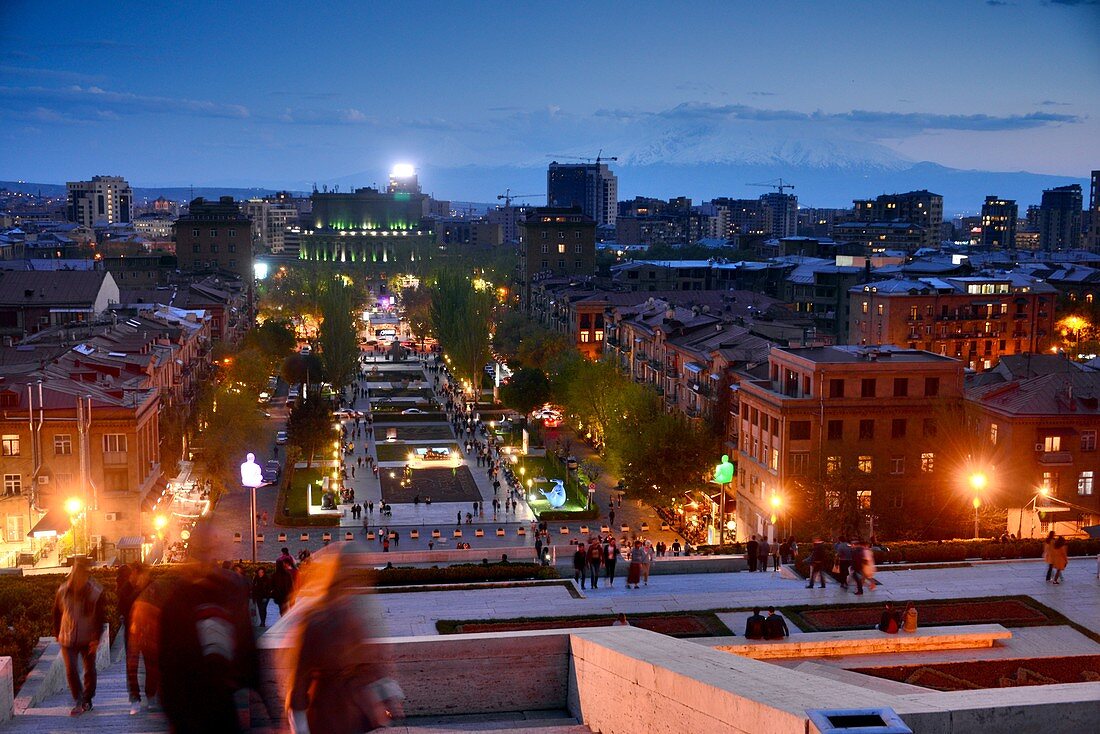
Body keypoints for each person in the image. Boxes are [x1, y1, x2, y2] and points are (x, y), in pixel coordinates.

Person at [158, 524, 270, 733]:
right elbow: (168, 666)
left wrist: (260, 698)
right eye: (202, 550)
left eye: (209, 550)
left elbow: (246, 648)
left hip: (223, 707)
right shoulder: (179, 599)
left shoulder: (228, 590)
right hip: (191, 708)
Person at [285, 546, 405, 734]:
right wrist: (300, 728)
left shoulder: (352, 616)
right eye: (346, 575)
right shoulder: (315, 622)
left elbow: (369, 663)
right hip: (327, 716)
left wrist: (389, 697)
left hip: (355, 714)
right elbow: (300, 683)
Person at [53, 557, 106, 716]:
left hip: (88, 638)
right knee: (71, 669)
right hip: (67, 638)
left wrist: (96, 638)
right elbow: (56, 613)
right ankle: (78, 700)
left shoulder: (96, 592)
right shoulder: (63, 591)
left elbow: (100, 617)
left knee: (89, 669)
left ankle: (87, 700)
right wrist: (57, 633)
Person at [128, 566, 168, 714]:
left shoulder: (154, 588)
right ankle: (135, 699)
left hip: (150, 632)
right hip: (133, 633)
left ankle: (151, 696)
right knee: (132, 667)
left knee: (151, 666)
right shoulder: (129, 588)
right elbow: (124, 606)